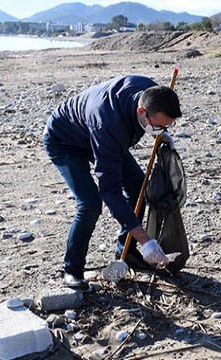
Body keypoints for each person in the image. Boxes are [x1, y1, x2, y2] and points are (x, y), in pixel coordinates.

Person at [43, 75, 182, 290]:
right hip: (65, 141)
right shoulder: (108, 124)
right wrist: (146, 239)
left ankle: (126, 253)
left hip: (99, 134)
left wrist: (161, 133)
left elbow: (155, 118)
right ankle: (72, 270)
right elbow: (110, 191)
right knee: (90, 204)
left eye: (167, 126)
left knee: (138, 187)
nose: (160, 129)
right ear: (141, 112)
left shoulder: (151, 92)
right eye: (158, 126)